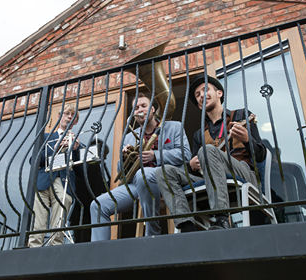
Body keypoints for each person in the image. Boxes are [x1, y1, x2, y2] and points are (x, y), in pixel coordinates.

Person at [155, 74, 266, 231]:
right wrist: (190, 166)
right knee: (163, 171)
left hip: (244, 174)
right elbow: (193, 169)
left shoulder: (242, 115)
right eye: (197, 95)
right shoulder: (199, 134)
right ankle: (187, 228)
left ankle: (221, 218)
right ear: (200, 106)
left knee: (206, 150)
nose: (201, 95)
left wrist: (247, 139)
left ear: (219, 93)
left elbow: (261, 156)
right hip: (210, 181)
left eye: (205, 90)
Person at [90, 92, 191, 241]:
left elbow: (185, 154)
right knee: (97, 205)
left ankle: (152, 232)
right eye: (136, 108)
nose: (140, 110)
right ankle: (98, 254)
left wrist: (155, 155)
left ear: (152, 109)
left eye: (144, 106)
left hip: (166, 178)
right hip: (137, 184)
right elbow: (121, 171)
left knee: (144, 174)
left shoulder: (174, 126)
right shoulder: (130, 136)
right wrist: (125, 159)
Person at [29, 104, 83, 247]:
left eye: (73, 116)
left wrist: (76, 150)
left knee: (62, 206)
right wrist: (55, 147)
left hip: (64, 183)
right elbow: (33, 161)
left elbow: (82, 171)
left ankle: (55, 248)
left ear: (76, 122)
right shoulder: (46, 137)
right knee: (38, 219)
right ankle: (34, 248)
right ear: (59, 117)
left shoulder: (78, 143)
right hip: (43, 181)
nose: (70, 117)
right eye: (66, 114)